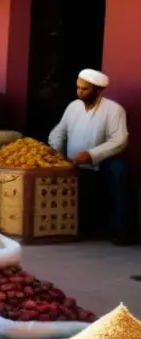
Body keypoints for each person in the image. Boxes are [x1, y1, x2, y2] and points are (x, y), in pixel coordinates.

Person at [49, 69, 134, 245]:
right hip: (73, 164)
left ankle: (120, 232)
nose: (79, 91)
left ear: (98, 90)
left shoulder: (114, 110)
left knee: (120, 169)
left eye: (85, 89)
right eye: (78, 87)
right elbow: (59, 132)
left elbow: (120, 140)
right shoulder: (73, 107)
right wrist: (57, 154)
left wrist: (92, 155)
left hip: (102, 163)